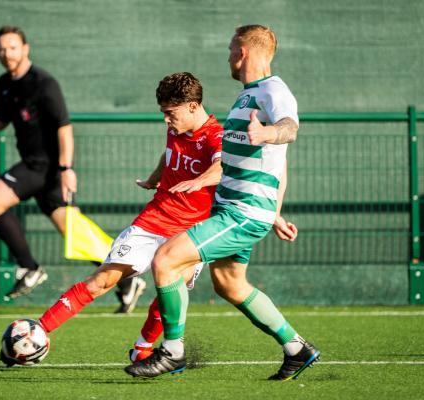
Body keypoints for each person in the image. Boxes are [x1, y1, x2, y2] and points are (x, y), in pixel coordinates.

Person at [126, 25, 320, 381]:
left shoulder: (273, 91)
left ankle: (171, 352)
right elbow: (279, 163)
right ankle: (297, 348)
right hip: (241, 209)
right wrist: (274, 214)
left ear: (244, 52)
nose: (229, 56)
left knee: (167, 260)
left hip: (242, 211)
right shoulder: (247, 96)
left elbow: (290, 128)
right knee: (230, 284)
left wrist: (269, 133)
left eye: (232, 49)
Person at [0, 25, 144, 311]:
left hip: (44, 168)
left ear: (25, 48)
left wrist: (66, 168)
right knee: (76, 235)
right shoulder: (5, 83)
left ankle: (30, 267)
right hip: (38, 170)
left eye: (12, 47)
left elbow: (64, 127)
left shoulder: (44, 83)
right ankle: (126, 279)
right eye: (1, 49)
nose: (7, 53)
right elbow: (0, 119)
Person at [28, 72, 224, 344]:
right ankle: (37, 331)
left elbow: (222, 167)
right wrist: (155, 178)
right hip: (154, 221)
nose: (166, 119)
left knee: (171, 290)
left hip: (191, 231)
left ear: (192, 105)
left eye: (170, 112)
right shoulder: (175, 128)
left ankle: (143, 350)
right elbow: (169, 154)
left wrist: (199, 181)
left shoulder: (216, 135)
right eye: (163, 113)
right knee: (102, 280)